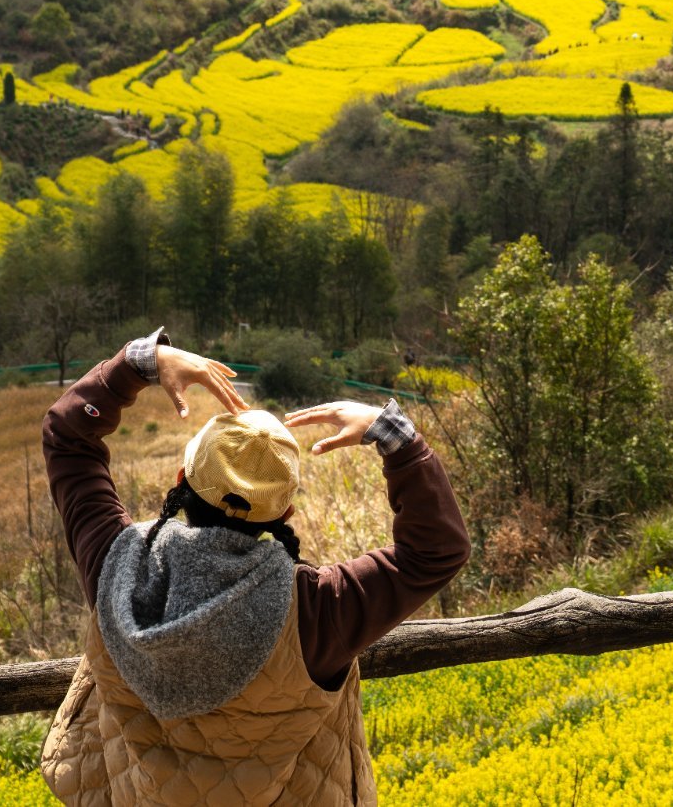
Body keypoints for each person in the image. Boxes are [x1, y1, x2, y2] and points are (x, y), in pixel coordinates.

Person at [41, 328, 470, 806]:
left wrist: (141, 362)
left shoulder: (115, 565)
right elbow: (436, 551)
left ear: (182, 480)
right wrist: (394, 435)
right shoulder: (317, 610)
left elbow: (67, 435)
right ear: (284, 513)